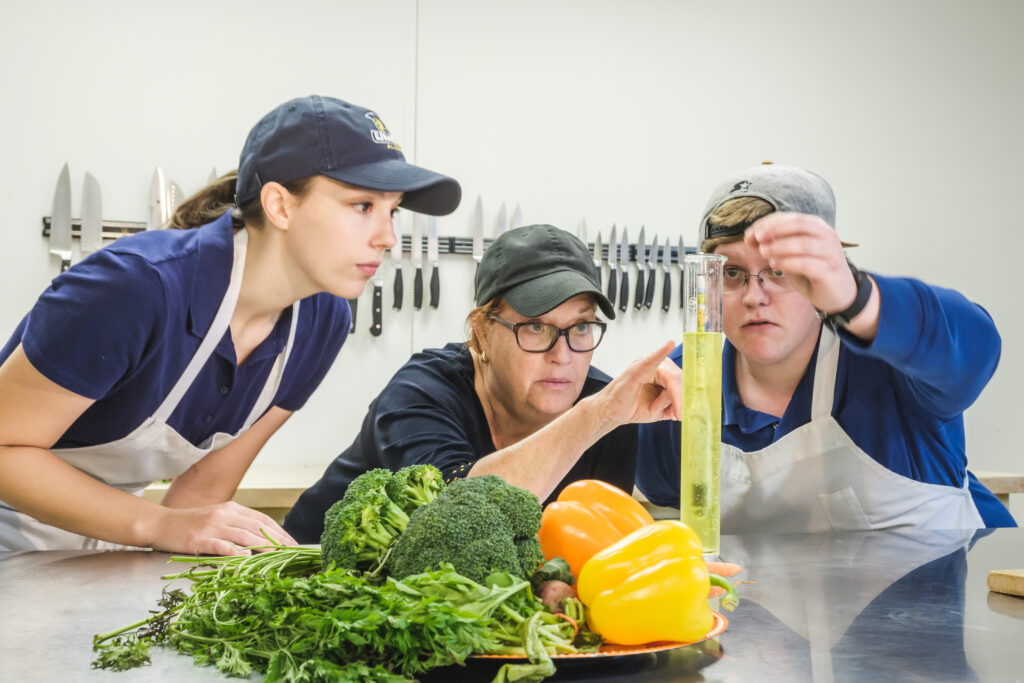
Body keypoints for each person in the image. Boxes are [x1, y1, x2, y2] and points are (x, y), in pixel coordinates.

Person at [0, 95, 461, 554]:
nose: (387, 238)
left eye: (392, 210)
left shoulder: (321, 321)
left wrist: (165, 545)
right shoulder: (134, 288)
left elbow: (202, 489)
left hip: (102, 545)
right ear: (280, 206)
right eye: (362, 205)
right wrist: (159, 526)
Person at [636, 162, 1014, 531]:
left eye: (779, 270)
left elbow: (976, 346)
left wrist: (859, 301)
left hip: (949, 589)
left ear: (826, 273)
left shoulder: (892, 367)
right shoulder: (684, 389)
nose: (754, 296)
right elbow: (658, 492)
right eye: (732, 272)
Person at [285, 224, 682, 542]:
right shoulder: (421, 391)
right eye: (536, 326)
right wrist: (595, 417)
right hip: (308, 590)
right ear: (482, 332)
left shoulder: (605, 412)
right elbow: (456, 514)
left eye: (580, 327)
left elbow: (595, 548)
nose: (561, 354)